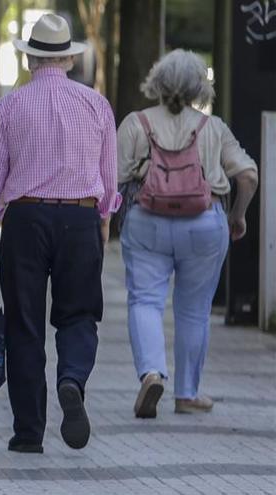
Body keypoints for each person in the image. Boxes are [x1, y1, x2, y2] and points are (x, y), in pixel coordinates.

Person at [0, 13, 120, 454]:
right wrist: (104, 221)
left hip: (25, 221)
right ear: (70, 60)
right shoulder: (96, 105)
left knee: (24, 325)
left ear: (30, 59)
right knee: (79, 314)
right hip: (80, 219)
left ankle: (28, 432)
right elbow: (108, 179)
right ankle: (71, 378)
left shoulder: (9, 106)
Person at [117, 49, 258, 418]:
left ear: (157, 83)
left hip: (146, 220)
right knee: (194, 311)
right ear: (200, 88)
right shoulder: (213, 128)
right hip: (205, 223)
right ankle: (187, 394)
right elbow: (248, 175)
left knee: (145, 300)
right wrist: (238, 215)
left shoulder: (136, 123)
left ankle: (151, 373)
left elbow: (111, 179)